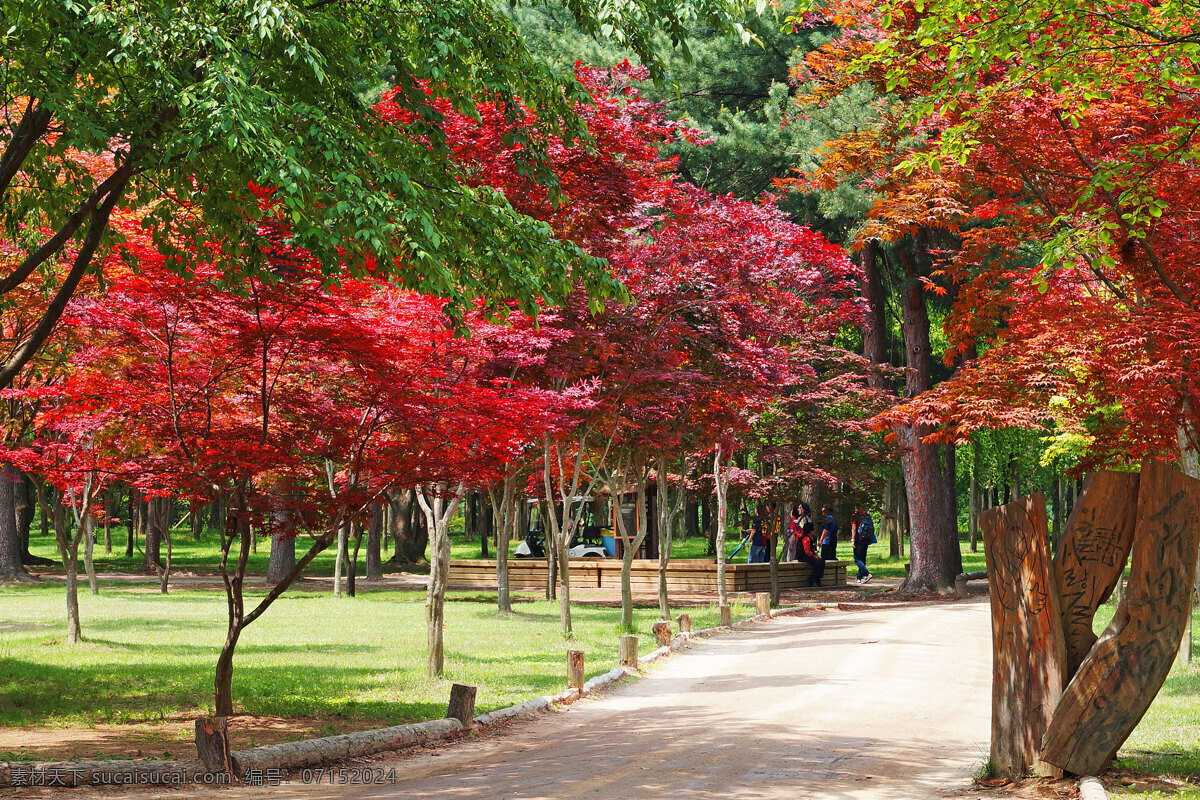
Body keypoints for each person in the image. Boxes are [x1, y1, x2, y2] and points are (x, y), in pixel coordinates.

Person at [851, 509, 876, 583]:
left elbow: (854, 528)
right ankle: (859, 577)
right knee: (863, 558)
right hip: (866, 539)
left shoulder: (855, 516)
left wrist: (853, 540)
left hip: (858, 539)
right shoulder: (867, 516)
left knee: (857, 559)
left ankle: (867, 574)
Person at [797, 520, 824, 587]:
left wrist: (815, 554)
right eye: (813, 529)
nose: (814, 531)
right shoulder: (806, 538)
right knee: (817, 563)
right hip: (803, 556)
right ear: (810, 530)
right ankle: (811, 579)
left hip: (807, 555)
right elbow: (807, 552)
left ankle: (818, 578)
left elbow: (810, 550)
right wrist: (815, 556)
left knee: (822, 561)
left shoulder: (810, 538)